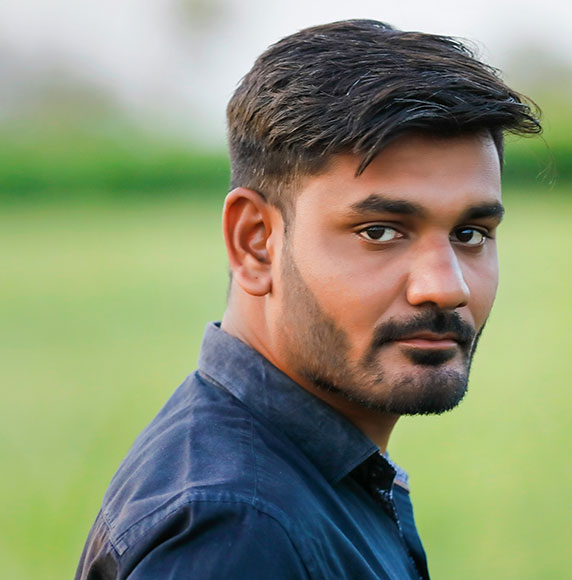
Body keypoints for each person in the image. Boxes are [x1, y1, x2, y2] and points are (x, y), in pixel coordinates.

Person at [75, 19, 540, 579]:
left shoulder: (289, 479)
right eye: (380, 231)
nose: (445, 286)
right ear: (255, 241)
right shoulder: (239, 529)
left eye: (470, 235)